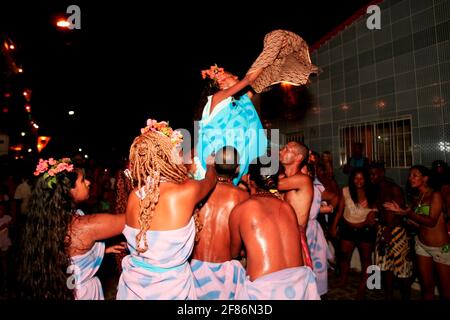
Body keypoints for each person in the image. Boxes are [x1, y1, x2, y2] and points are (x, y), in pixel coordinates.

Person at [117, 119, 217, 300]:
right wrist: (210, 165)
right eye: (177, 151)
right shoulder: (186, 191)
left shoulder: (134, 195)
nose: (180, 155)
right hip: (172, 288)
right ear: (168, 156)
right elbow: (210, 182)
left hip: (134, 286)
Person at [18, 158, 126, 300]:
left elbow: (70, 257)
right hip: (83, 294)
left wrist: (99, 251)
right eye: (82, 181)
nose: (89, 182)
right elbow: (134, 218)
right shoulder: (84, 226)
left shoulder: (51, 222)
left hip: (66, 289)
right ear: (68, 191)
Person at [229, 159, 320, 300]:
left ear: (249, 179)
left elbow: (233, 253)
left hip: (265, 288)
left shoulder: (241, 210)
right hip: (299, 283)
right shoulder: (287, 207)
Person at [193, 65, 267, 185]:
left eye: (223, 78)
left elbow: (258, 81)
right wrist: (271, 52)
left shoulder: (243, 100)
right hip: (213, 162)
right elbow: (249, 79)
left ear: (235, 76)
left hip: (236, 165)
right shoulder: (218, 98)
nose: (220, 82)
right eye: (218, 82)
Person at [191, 146, 249, 300]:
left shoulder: (198, 191)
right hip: (226, 270)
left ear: (214, 165)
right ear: (237, 169)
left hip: (195, 268)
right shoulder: (243, 196)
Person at [384, 165, 450, 300]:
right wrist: (403, 215)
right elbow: (419, 224)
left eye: (415, 175)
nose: (410, 178)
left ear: (425, 178)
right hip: (422, 246)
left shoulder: (435, 195)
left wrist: (408, 213)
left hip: (440, 248)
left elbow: (431, 222)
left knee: (446, 290)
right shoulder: (418, 197)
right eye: (410, 175)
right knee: (426, 287)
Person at [330, 168, 377, 299]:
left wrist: (368, 221)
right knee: (344, 256)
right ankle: (344, 279)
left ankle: (363, 286)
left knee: (366, 258)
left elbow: (374, 214)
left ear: (366, 179)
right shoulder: (345, 190)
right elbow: (340, 210)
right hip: (347, 228)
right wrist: (334, 226)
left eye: (362, 178)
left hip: (365, 230)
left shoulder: (371, 192)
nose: (359, 181)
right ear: (352, 179)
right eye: (356, 178)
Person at [369, 162, 413, 300]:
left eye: (374, 174)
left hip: (396, 231)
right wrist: (376, 222)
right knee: (385, 267)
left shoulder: (394, 189)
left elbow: (399, 213)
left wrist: (388, 231)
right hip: (383, 230)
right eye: (370, 174)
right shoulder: (377, 189)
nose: (371, 177)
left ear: (382, 173)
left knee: (402, 270)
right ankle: (388, 296)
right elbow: (378, 209)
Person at [278, 141, 314, 268]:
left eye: (287, 149)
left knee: (296, 281)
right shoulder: (282, 177)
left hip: (294, 238)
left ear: (298, 157)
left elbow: (267, 185)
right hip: (278, 236)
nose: (281, 151)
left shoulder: (303, 180)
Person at [0, 201, 12, 294]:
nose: (1, 211)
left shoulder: (7, 218)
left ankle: (6, 276)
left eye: (2, 209)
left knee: (5, 260)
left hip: (5, 242)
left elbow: (12, 226)